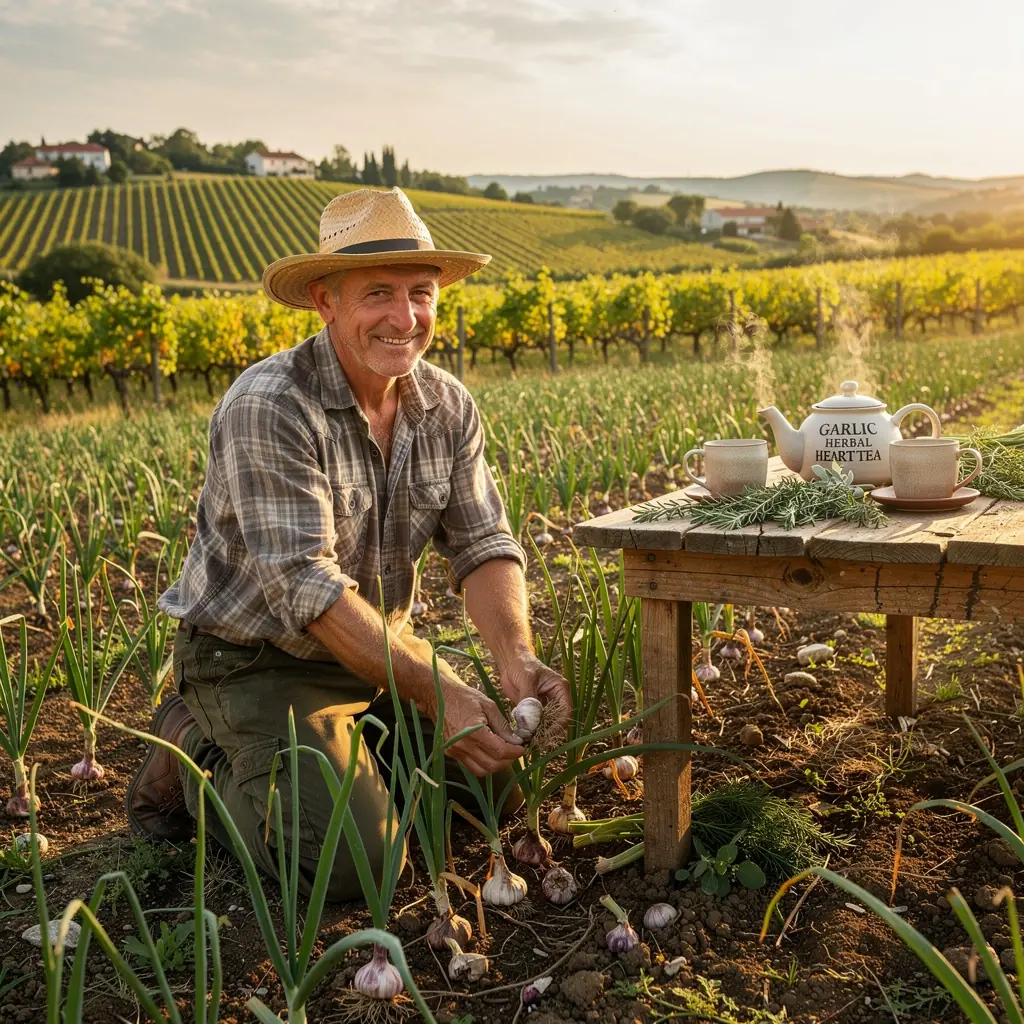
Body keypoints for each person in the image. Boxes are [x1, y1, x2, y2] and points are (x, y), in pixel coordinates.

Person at [126, 187, 569, 900]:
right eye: (378, 294)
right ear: (325, 301)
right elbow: (310, 591)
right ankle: (195, 756)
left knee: (497, 791)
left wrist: (515, 660)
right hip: (257, 662)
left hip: (375, 653)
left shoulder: (447, 405)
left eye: (421, 293)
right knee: (352, 865)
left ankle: (343, 764)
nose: (406, 317)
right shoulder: (270, 405)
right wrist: (437, 692)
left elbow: (483, 544)